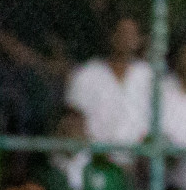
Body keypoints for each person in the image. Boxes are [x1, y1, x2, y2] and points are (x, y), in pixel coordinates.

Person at [64, 15, 152, 162]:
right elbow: (73, 122)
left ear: (139, 40)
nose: (126, 38)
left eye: (131, 34)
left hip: (136, 163)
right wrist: (100, 155)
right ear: (112, 36)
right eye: (122, 33)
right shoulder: (87, 73)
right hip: (93, 160)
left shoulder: (149, 76)